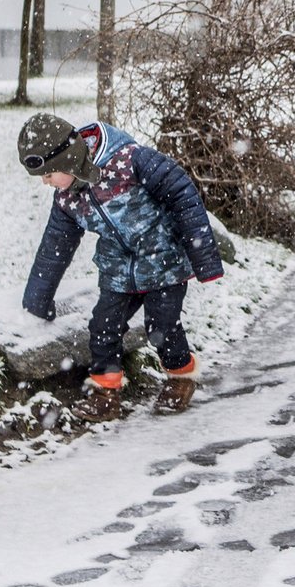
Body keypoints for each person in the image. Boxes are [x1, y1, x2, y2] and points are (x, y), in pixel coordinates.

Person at [18, 113, 224, 422]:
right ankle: (106, 393)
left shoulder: (129, 161)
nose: (46, 182)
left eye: (48, 174)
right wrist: (38, 299)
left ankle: (181, 377)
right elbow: (54, 248)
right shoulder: (66, 198)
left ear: (68, 160)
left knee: (162, 327)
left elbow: (182, 192)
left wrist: (203, 257)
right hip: (118, 266)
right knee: (103, 327)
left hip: (163, 260)